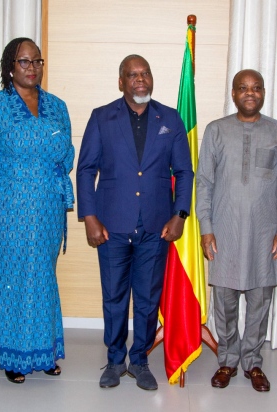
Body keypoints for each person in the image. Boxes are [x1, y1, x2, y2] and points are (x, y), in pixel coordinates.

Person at [0, 37, 74, 384]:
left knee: (43, 277)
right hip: (9, 212)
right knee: (13, 278)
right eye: (24, 61)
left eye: (37, 61)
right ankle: (12, 353)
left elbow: (66, 153)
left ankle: (45, 349)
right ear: (10, 67)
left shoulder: (57, 106)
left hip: (48, 210)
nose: (32, 67)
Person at [76, 54, 193, 390]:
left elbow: (184, 171)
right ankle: (115, 360)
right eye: (132, 75)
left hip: (156, 226)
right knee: (113, 296)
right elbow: (86, 170)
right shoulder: (102, 117)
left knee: (146, 298)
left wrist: (179, 215)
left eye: (146, 73)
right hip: (111, 225)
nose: (140, 79)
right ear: (121, 81)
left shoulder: (169, 118)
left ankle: (139, 360)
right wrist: (90, 218)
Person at [196, 69, 277, 392]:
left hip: (264, 235)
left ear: (264, 93)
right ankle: (227, 360)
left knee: (259, 302)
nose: (250, 93)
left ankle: (253, 362)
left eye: (256, 88)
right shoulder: (215, 131)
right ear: (233, 93)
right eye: (243, 88)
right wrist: (206, 227)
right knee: (224, 302)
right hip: (223, 232)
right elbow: (205, 184)